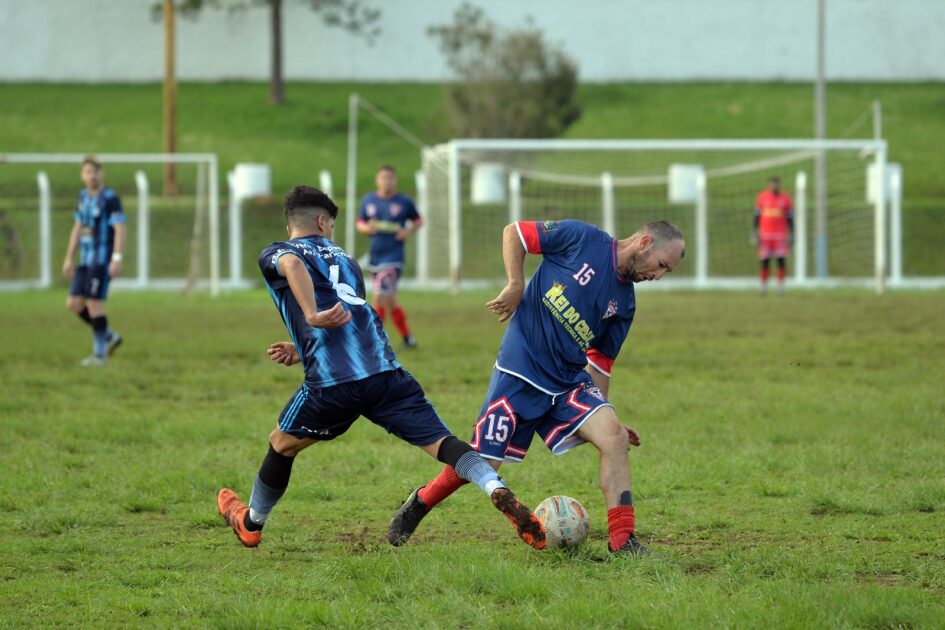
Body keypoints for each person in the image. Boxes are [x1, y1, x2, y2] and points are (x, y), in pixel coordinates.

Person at [216, 185, 545, 550]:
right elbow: (353, 314)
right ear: (323, 222)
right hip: (386, 374)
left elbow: (295, 269)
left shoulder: (279, 252)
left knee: (281, 444)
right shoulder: (346, 260)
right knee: (444, 443)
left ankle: (251, 523)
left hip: (334, 384)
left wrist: (310, 316)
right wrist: (302, 346)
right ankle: (496, 488)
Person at [388, 219, 685, 557]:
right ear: (644, 242)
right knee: (484, 462)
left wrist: (603, 413)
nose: (658, 276)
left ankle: (623, 540)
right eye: (661, 265)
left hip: (568, 383)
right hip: (519, 371)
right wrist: (516, 283)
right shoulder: (582, 239)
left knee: (614, 438)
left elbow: (600, 363)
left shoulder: (625, 304)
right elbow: (514, 233)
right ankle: (421, 502)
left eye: (666, 272)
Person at [62, 156, 125, 366]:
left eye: (96, 171)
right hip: (85, 259)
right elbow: (77, 228)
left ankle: (99, 355)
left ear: (102, 174)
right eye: (88, 172)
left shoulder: (110, 199)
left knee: (94, 302)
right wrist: (69, 257)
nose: (93, 176)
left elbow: (120, 228)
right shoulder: (82, 198)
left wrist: (116, 257)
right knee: (73, 303)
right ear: (82, 176)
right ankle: (109, 335)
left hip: (101, 260)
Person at [355, 165, 422, 348]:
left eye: (390, 178)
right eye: (383, 178)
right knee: (391, 301)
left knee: (378, 297)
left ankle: (374, 340)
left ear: (395, 180)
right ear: (377, 180)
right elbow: (360, 222)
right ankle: (408, 338)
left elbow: (418, 220)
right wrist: (366, 228)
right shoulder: (369, 200)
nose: (387, 181)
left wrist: (407, 231)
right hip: (376, 257)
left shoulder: (404, 202)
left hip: (394, 257)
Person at [752, 176, 794, 296]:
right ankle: (763, 287)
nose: (774, 186)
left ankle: (780, 288)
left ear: (779, 185)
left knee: (781, 261)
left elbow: (790, 219)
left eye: (776, 184)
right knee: (765, 261)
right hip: (765, 236)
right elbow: (756, 217)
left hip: (780, 236)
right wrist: (755, 231)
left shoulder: (785, 199)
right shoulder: (762, 197)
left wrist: (792, 233)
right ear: (769, 185)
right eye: (772, 184)